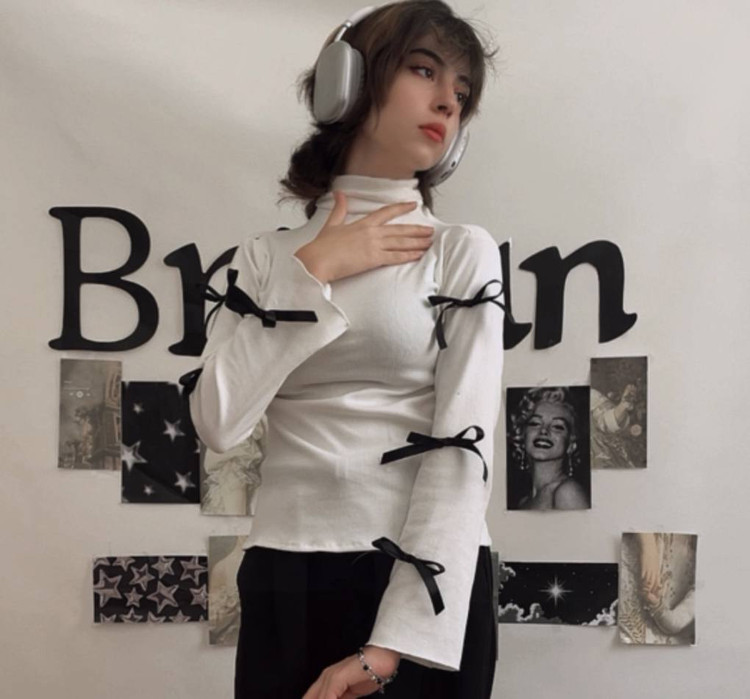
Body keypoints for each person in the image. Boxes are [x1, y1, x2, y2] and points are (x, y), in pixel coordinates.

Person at [185, 2, 502, 696]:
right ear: (347, 82)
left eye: (462, 90)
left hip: (423, 591)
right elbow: (218, 421)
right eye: (424, 70)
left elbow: (464, 454)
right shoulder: (267, 258)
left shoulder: (460, 252)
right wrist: (315, 270)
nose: (448, 101)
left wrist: (389, 647)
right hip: (286, 576)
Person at [508, 387, 590, 510]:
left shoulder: (567, 493)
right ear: (522, 435)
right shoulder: (523, 502)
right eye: (535, 423)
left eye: (557, 426)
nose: (544, 431)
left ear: (571, 444)